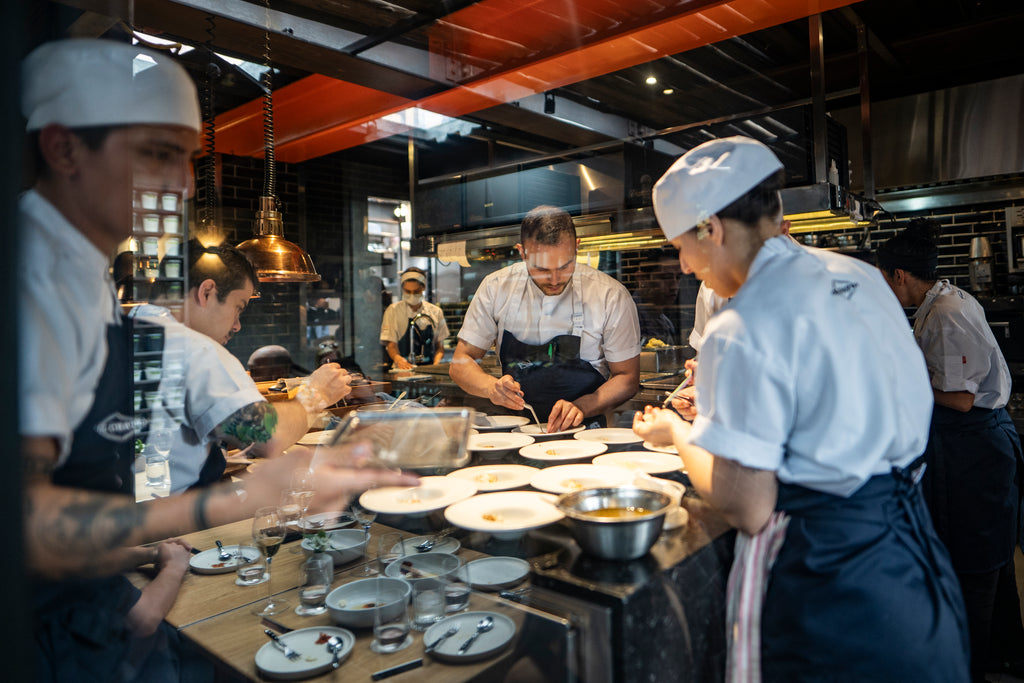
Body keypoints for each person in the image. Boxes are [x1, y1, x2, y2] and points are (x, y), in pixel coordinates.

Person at [18, 38, 418, 682]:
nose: (178, 183)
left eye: (184, 159)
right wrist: (232, 499)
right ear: (64, 148)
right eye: (156, 153)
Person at [632, 136, 968, 682]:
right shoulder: (858, 277)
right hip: (909, 549)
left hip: (824, 575)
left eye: (679, 246)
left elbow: (749, 506)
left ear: (710, 229)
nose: (684, 266)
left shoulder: (739, 326)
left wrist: (676, 432)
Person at [877, 219, 1024, 681]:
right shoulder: (941, 301)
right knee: (994, 561)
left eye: (885, 278)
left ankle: (969, 666)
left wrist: (899, 382)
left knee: (976, 562)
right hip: (972, 447)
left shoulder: (944, 312)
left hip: (975, 449)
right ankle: (1007, 655)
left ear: (899, 274)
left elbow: (959, 399)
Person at [133, 240, 356, 493]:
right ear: (206, 292)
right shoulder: (196, 351)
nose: (237, 325)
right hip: (168, 521)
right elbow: (268, 438)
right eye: (238, 307)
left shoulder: (122, 328)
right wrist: (317, 393)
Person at [450, 205, 641, 432]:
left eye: (565, 266)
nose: (554, 279)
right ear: (522, 253)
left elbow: (627, 377)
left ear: (577, 248)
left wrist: (582, 406)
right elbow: (461, 363)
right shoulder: (496, 288)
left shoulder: (610, 295)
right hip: (513, 432)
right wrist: (491, 388)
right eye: (541, 268)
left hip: (586, 434)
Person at [381, 266, 449, 369]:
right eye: (408, 292)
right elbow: (391, 345)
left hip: (429, 369)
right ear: (403, 289)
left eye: (416, 291)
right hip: (402, 370)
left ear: (423, 288)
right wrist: (399, 360)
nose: (412, 295)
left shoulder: (436, 312)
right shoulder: (393, 310)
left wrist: (435, 366)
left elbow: (440, 347)